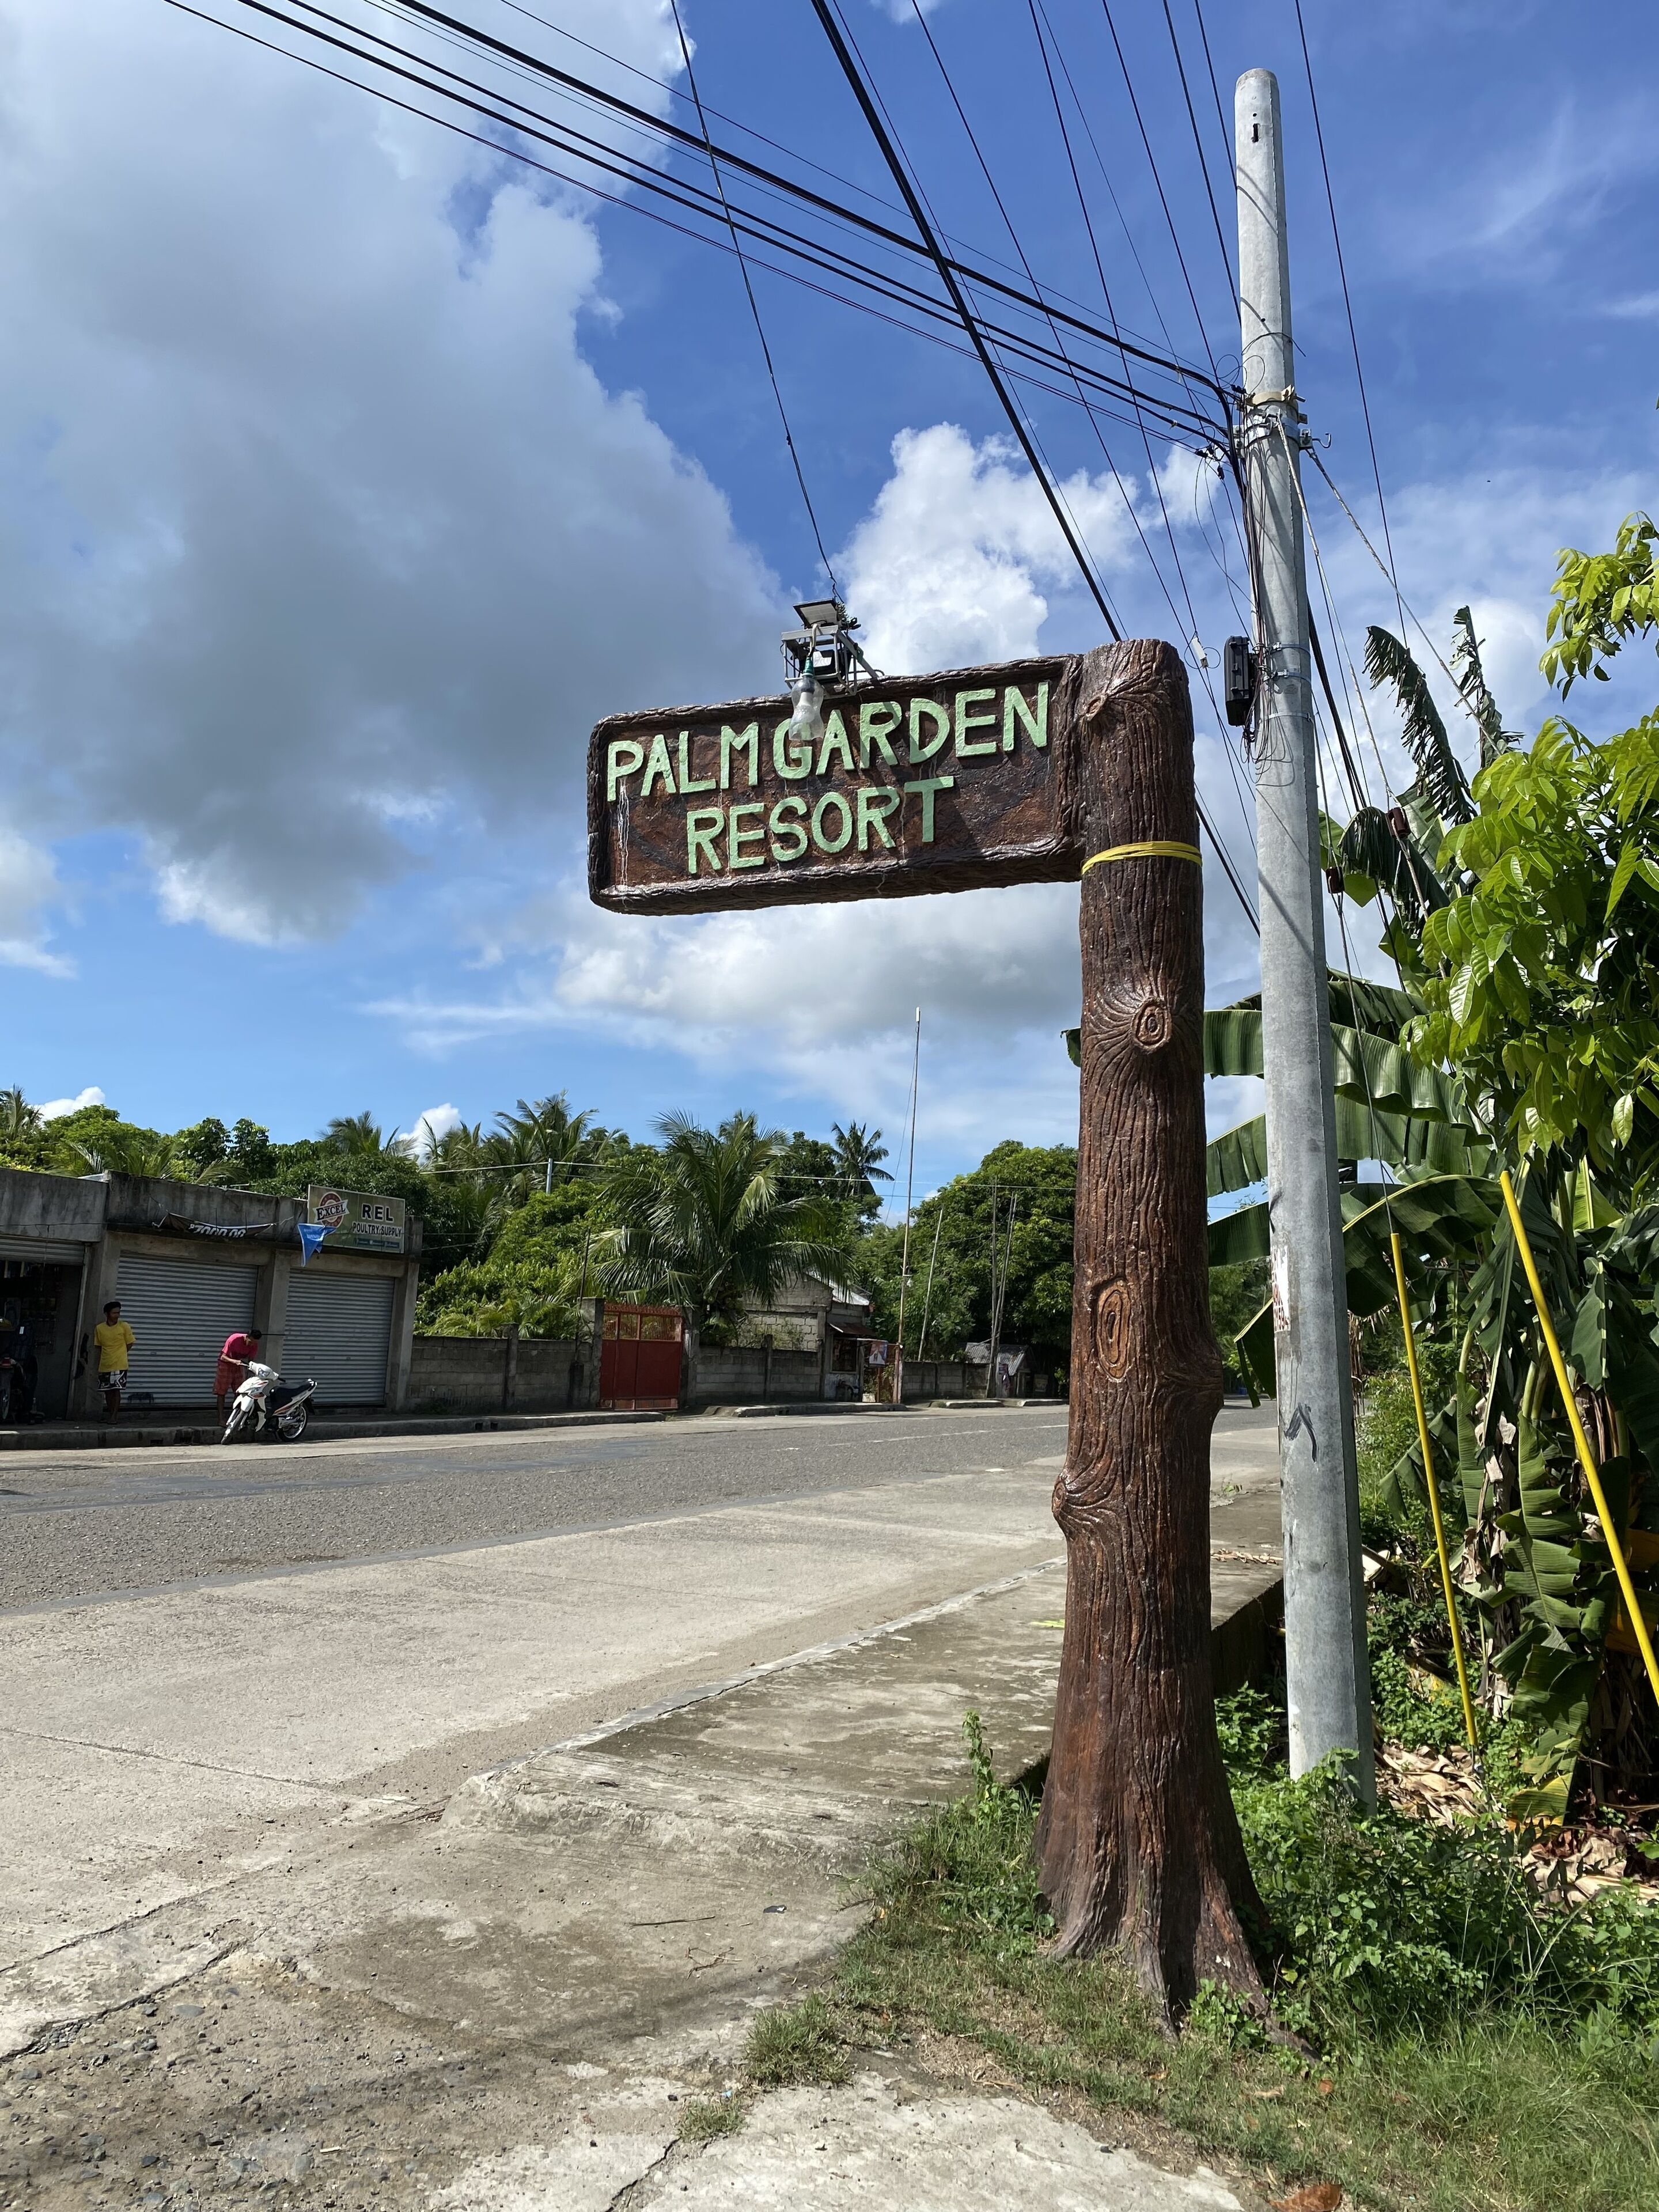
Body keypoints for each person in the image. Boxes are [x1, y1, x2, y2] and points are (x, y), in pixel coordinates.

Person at [93, 1299, 135, 1422]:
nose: (117, 1316)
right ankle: (110, 1413)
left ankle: (114, 1416)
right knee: (107, 1391)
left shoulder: (124, 1326)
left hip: (120, 1363)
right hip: (105, 1363)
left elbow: (130, 1343)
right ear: (107, 1314)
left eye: (118, 1313)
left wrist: (121, 1353)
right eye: (114, 1313)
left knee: (116, 1390)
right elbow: (98, 1346)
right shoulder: (100, 1329)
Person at [215, 1325, 263, 1420]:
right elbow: (223, 1357)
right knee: (221, 1392)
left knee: (240, 1391)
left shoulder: (254, 1345)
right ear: (247, 1337)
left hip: (239, 1364)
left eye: (254, 1343)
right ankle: (221, 1418)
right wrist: (235, 1361)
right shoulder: (234, 1339)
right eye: (250, 1342)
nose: (251, 1345)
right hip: (226, 1364)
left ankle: (235, 1417)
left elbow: (251, 1360)